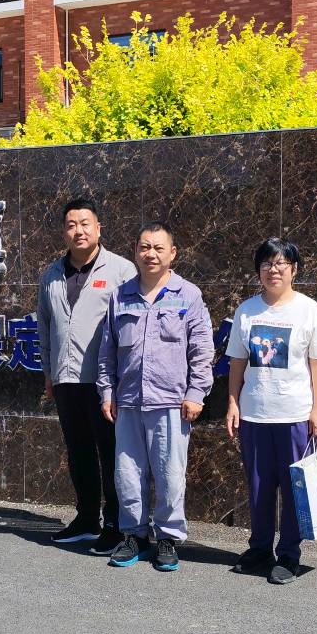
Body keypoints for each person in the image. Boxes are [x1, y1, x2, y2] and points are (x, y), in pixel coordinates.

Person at [96, 222, 214, 572]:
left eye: (159, 248)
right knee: (127, 475)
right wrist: (107, 392)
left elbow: (202, 350)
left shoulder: (188, 295)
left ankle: (167, 538)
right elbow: (107, 351)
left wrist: (196, 393)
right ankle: (133, 535)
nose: (151, 254)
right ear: (135, 252)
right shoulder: (120, 296)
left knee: (170, 475)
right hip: (129, 401)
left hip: (171, 403)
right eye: (144, 247)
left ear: (172, 253)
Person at [224, 237, 317, 584]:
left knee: (293, 487)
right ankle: (259, 549)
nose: (274, 270)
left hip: (295, 415)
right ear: (259, 270)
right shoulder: (246, 311)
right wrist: (233, 402)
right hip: (255, 414)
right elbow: (237, 362)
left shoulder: (308, 309)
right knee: (258, 487)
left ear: (294, 270)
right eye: (267, 263)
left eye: (281, 263)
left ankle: (288, 554)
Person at [36, 197, 137, 548]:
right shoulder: (51, 275)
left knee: (111, 452)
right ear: (64, 232)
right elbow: (45, 327)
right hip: (66, 379)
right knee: (78, 450)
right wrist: (49, 372)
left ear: (98, 228)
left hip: (105, 381)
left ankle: (117, 523)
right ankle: (86, 517)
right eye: (71, 225)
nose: (78, 231)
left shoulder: (122, 271)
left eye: (85, 224)